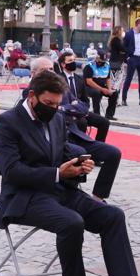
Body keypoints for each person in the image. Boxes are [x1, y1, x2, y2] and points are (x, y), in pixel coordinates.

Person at [0, 72, 140, 276]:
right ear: (32, 96)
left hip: (60, 191)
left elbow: (63, 148)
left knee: (113, 216)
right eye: (49, 103)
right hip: (25, 197)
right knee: (72, 222)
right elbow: (12, 171)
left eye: (57, 104)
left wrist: (81, 160)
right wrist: (57, 173)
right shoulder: (7, 122)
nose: (55, 109)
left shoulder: (56, 118)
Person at [34, 54, 122, 199]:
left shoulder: (62, 88)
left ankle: (98, 198)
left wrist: (66, 108)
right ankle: (71, 197)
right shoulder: (31, 93)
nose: (49, 72)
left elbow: (82, 107)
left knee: (113, 153)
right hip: (54, 141)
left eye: (51, 69)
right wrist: (67, 109)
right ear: (34, 73)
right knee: (78, 152)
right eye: (45, 70)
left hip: (75, 134)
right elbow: (54, 115)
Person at [120, 20, 140, 106]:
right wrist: (127, 58)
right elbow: (124, 46)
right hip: (132, 58)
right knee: (128, 79)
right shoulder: (129, 34)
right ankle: (124, 99)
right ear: (137, 24)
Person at [83, 51, 119, 120]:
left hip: (102, 86)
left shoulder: (107, 65)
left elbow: (108, 78)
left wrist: (109, 89)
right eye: (100, 61)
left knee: (114, 93)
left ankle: (109, 115)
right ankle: (97, 115)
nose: (102, 63)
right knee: (96, 93)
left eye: (103, 61)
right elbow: (89, 81)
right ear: (96, 59)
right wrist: (102, 89)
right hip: (88, 87)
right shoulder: (89, 66)